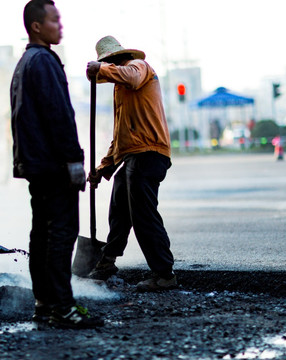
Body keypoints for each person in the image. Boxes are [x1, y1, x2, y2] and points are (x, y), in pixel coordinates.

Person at [10, 0, 103, 328]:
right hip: (53, 166)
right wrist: (73, 161)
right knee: (61, 234)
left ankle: (45, 305)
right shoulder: (45, 61)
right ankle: (63, 308)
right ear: (37, 26)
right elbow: (58, 115)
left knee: (42, 235)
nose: (59, 26)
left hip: (35, 165)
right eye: (54, 20)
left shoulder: (23, 63)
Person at [85, 35, 177, 291]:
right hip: (135, 155)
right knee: (120, 207)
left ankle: (164, 274)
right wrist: (102, 169)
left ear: (115, 59)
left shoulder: (139, 68)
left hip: (150, 153)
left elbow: (131, 76)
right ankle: (107, 260)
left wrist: (100, 69)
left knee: (143, 214)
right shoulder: (121, 91)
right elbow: (120, 139)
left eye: (110, 63)